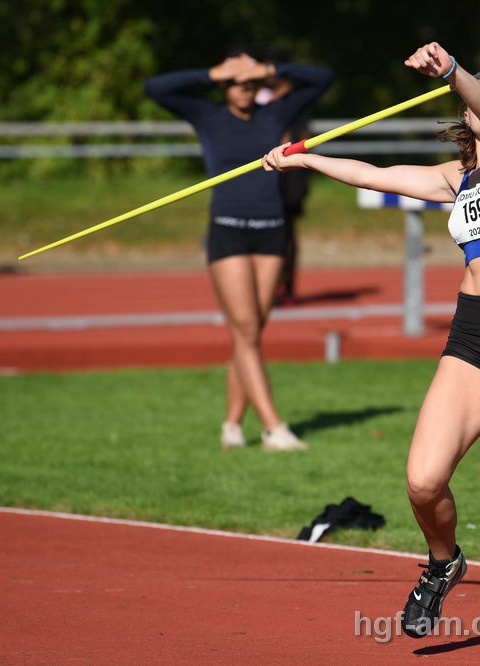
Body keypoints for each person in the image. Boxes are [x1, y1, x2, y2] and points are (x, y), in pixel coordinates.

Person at [264, 42, 480, 665]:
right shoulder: (457, 178)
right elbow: (376, 175)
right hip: (473, 332)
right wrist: (305, 160)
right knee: (422, 480)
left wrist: (452, 73)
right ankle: (444, 564)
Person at [146, 51, 334, 451]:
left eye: (249, 82)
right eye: (234, 82)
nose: (242, 88)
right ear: (223, 85)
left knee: (248, 332)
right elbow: (155, 88)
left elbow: (322, 78)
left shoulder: (275, 113)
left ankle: (232, 425)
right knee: (246, 330)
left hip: (271, 231)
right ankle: (272, 428)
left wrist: (268, 71)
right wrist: (212, 71)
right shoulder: (207, 115)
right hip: (228, 233)